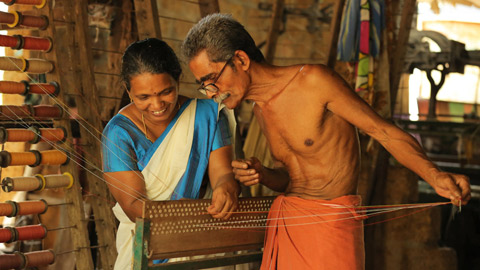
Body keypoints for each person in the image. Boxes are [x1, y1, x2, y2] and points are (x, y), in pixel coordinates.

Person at [181, 13, 471, 270]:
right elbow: (292, 178)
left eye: (211, 79)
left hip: (331, 228)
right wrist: (264, 174)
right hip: (288, 223)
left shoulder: (314, 82)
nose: (210, 92)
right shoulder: (261, 111)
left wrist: (435, 175)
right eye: (204, 85)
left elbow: (383, 131)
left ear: (241, 60)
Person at [102, 38, 240, 270]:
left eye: (166, 92)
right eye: (143, 97)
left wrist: (226, 188)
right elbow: (133, 204)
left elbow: (223, 174)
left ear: (178, 81)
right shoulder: (118, 133)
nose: (157, 105)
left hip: (203, 240)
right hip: (148, 247)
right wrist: (181, 214)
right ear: (128, 91)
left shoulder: (207, 115)